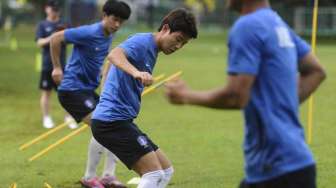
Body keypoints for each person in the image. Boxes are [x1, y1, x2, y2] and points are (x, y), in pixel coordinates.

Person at [165, 0, 326, 188]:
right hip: (297, 164)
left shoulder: (247, 26)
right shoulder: (277, 23)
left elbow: (236, 96)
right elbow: (316, 72)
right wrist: (280, 105)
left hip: (276, 169)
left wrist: (185, 95)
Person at [90, 8, 198, 188]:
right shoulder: (143, 41)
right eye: (178, 39)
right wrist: (137, 73)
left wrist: (107, 90)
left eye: (183, 44)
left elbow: (111, 63)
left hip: (122, 121)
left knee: (166, 171)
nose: (178, 46)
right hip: (111, 122)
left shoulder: (153, 50)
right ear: (165, 28)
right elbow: (114, 55)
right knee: (153, 173)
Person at [50, 0, 131, 187]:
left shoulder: (108, 34)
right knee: (103, 126)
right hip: (72, 91)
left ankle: (108, 176)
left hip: (87, 90)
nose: (117, 25)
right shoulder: (89, 32)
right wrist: (56, 68)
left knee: (117, 123)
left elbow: (100, 59)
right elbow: (56, 38)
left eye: (121, 22)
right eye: (114, 19)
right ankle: (89, 178)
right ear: (104, 16)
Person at [35, 0, 77, 129]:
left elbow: (73, 38)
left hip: (63, 65)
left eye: (56, 9)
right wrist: (53, 38)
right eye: (52, 9)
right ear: (47, 9)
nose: (55, 11)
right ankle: (46, 118)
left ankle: (68, 117)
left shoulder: (64, 24)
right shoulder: (42, 25)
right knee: (46, 93)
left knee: (67, 92)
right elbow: (39, 42)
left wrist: (64, 36)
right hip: (48, 65)